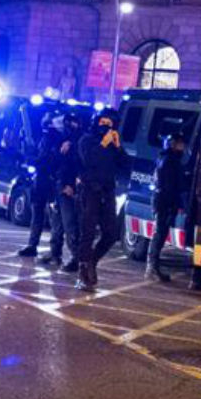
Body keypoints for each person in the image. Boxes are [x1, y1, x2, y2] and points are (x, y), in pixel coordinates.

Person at [75, 110, 129, 291]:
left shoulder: (113, 145)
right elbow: (89, 160)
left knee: (111, 233)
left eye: (109, 122)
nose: (106, 125)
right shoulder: (86, 140)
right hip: (90, 190)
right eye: (103, 121)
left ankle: (92, 261)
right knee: (87, 233)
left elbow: (126, 165)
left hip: (108, 191)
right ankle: (82, 272)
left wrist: (118, 146)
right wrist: (103, 143)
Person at [18, 114, 65, 258]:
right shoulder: (49, 139)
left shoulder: (57, 140)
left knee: (53, 217)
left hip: (50, 181)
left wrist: (32, 160)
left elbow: (45, 159)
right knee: (40, 214)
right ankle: (35, 245)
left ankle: (54, 251)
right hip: (43, 181)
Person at [44, 112, 85, 273]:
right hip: (58, 185)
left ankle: (76, 258)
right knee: (57, 223)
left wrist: (70, 186)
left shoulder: (78, 142)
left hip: (67, 187)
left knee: (70, 225)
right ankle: (55, 254)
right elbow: (56, 162)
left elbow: (75, 166)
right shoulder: (63, 140)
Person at [147, 132, 189, 283]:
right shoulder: (169, 160)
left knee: (161, 232)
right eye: (180, 144)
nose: (182, 147)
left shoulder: (168, 158)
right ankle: (152, 267)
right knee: (160, 233)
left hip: (164, 200)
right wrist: (177, 203)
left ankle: (153, 266)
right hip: (164, 200)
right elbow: (170, 184)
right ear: (173, 144)